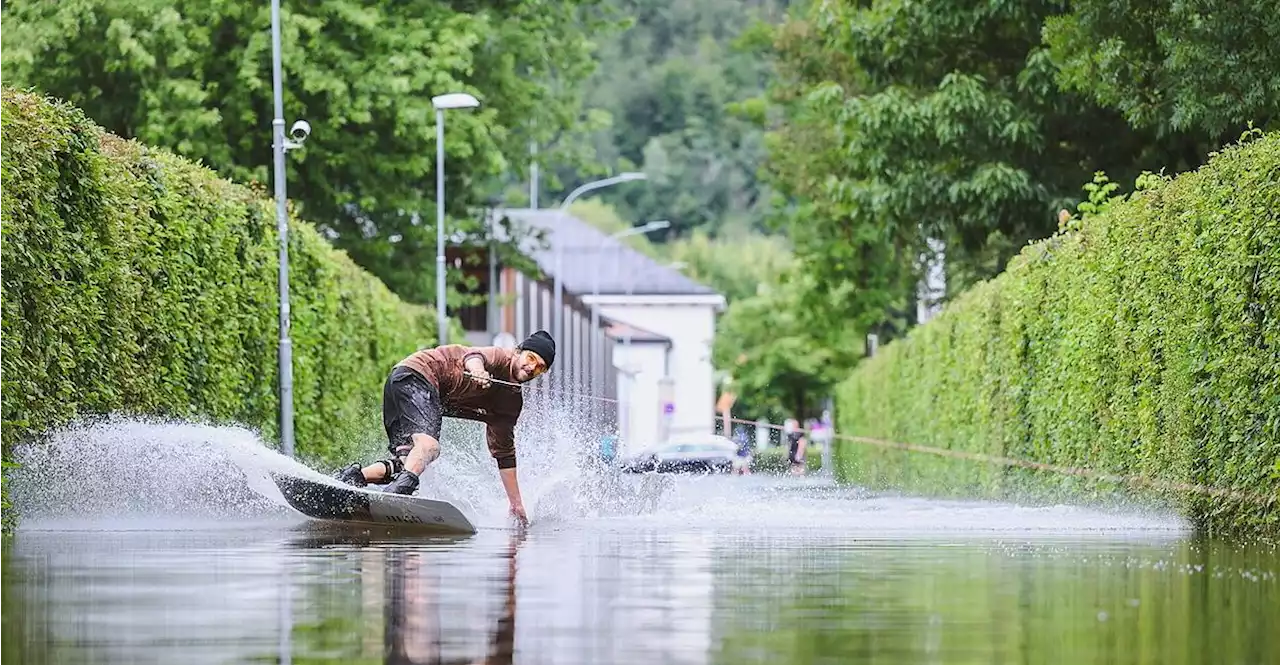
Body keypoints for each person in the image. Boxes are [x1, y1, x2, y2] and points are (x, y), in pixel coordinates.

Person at [332, 330, 556, 526]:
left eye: (540, 368)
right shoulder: (501, 356)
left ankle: (352, 478)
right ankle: (395, 497)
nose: (531, 367)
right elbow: (474, 356)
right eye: (531, 358)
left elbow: (505, 454)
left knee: (409, 462)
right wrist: (477, 370)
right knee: (429, 447)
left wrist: (516, 505)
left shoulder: (510, 404)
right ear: (519, 351)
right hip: (416, 375)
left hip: (403, 383)